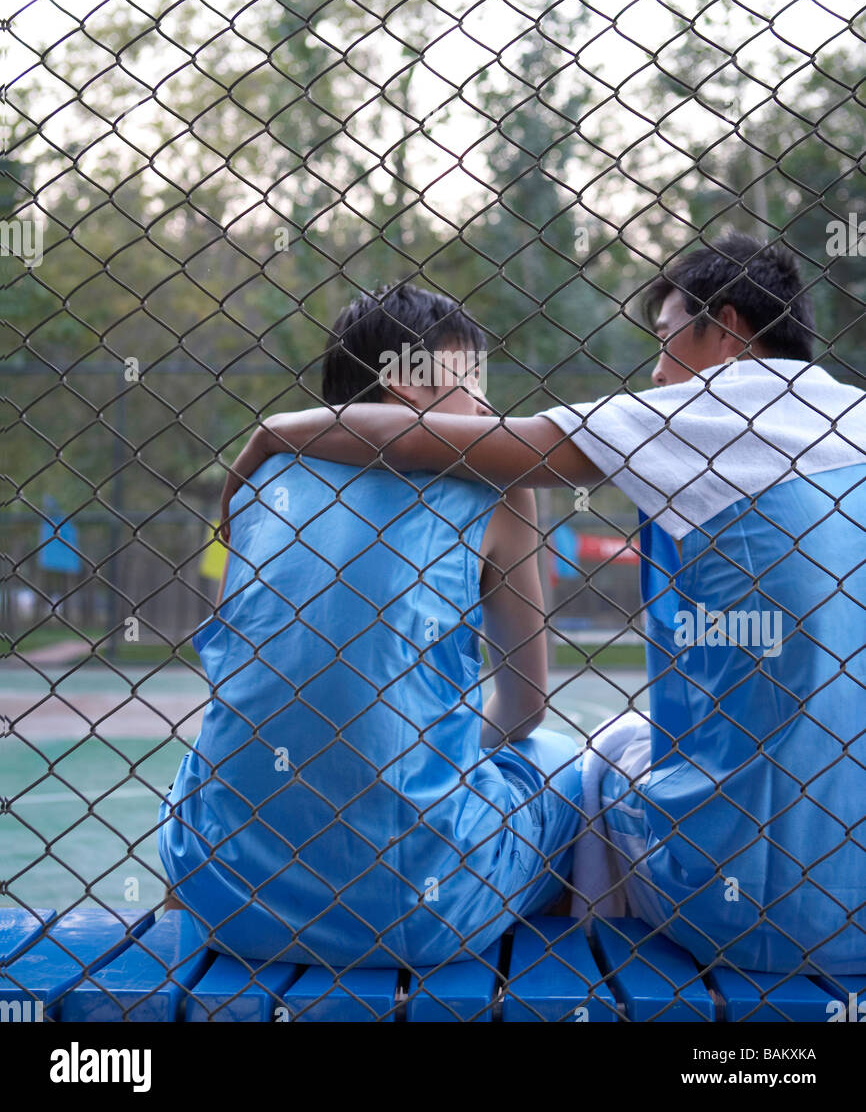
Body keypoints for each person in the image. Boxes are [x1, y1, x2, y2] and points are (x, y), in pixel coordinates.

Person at [222, 233, 866, 975]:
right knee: (589, 756)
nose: (656, 372)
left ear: (721, 329)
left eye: (664, 340)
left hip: (745, 915)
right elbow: (523, 703)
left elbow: (468, 441)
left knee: (608, 754)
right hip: (831, 905)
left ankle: (591, 953)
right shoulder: (848, 412)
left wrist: (278, 429)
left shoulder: (704, 412)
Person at [159, 283, 585, 968]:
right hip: (420, 909)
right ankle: (535, 980)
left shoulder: (264, 484)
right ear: (408, 389)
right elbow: (525, 707)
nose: (486, 409)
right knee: (564, 765)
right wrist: (416, 750)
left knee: (203, 763)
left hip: (222, 892)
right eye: (471, 384)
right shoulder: (498, 484)